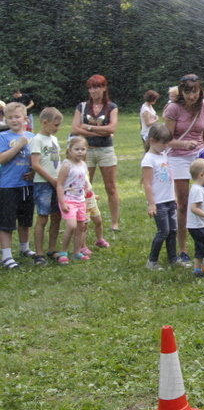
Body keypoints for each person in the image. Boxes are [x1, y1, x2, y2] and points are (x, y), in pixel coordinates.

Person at [164, 74, 204, 266]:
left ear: (199, 91)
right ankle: (183, 249)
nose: (191, 96)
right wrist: (184, 144)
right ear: (181, 91)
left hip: (200, 155)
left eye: (194, 91)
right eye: (187, 91)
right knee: (183, 204)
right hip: (178, 157)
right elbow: (165, 139)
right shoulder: (173, 108)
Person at [70, 74, 120, 231]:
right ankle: (82, 219)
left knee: (110, 187)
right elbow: (75, 128)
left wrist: (89, 128)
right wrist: (100, 132)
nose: (93, 90)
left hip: (106, 150)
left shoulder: (112, 107)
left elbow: (112, 128)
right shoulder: (82, 106)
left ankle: (114, 223)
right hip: (85, 151)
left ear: (104, 88)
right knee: (83, 186)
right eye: (90, 87)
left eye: (97, 86)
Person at [0, 102, 35, 269]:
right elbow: (2, 159)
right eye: (10, 118)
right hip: (8, 186)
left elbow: (37, 161)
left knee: (25, 220)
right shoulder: (3, 137)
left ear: (25, 119)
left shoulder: (33, 137)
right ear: (5, 119)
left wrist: (34, 172)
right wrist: (19, 145)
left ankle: (24, 248)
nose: (14, 120)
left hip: (27, 185)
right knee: (7, 221)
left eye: (17, 117)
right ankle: (6, 255)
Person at [29, 107, 63, 266]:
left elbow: (57, 162)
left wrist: (61, 180)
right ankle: (39, 253)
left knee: (57, 216)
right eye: (55, 125)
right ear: (45, 122)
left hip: (57, 183)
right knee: (43, 217)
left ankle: (51, 249)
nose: (58, 128)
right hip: (43, 184)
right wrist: (52, 180)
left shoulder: (54, 140)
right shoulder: (37, 140)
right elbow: (35, 165)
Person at [141, 124, 177, 270]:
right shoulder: (148, 159)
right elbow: (147, 184)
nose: (165, 146)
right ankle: (152, 261)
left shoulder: (163, 155)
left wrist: (174, 197)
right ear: (152, 141)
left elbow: (170, 178)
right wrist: (151, 204)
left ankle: (172, 258)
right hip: (159, 202)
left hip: (169, 200)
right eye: (163, 143)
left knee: (173, 231)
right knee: (163, 232)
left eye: (167, 142)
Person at [56, 136, 92, 264]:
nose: (80, 152)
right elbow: (59, 184)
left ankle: (77, 251)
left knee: (81, 227)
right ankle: (63, 252)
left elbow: (83, 180)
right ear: (70, 150)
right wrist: (62, 202)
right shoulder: (67, 165)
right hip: (68, 200)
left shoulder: (83, 164)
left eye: (83, 149)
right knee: (72, 225)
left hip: (80, 200)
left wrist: (87, 188)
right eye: (77, 149)